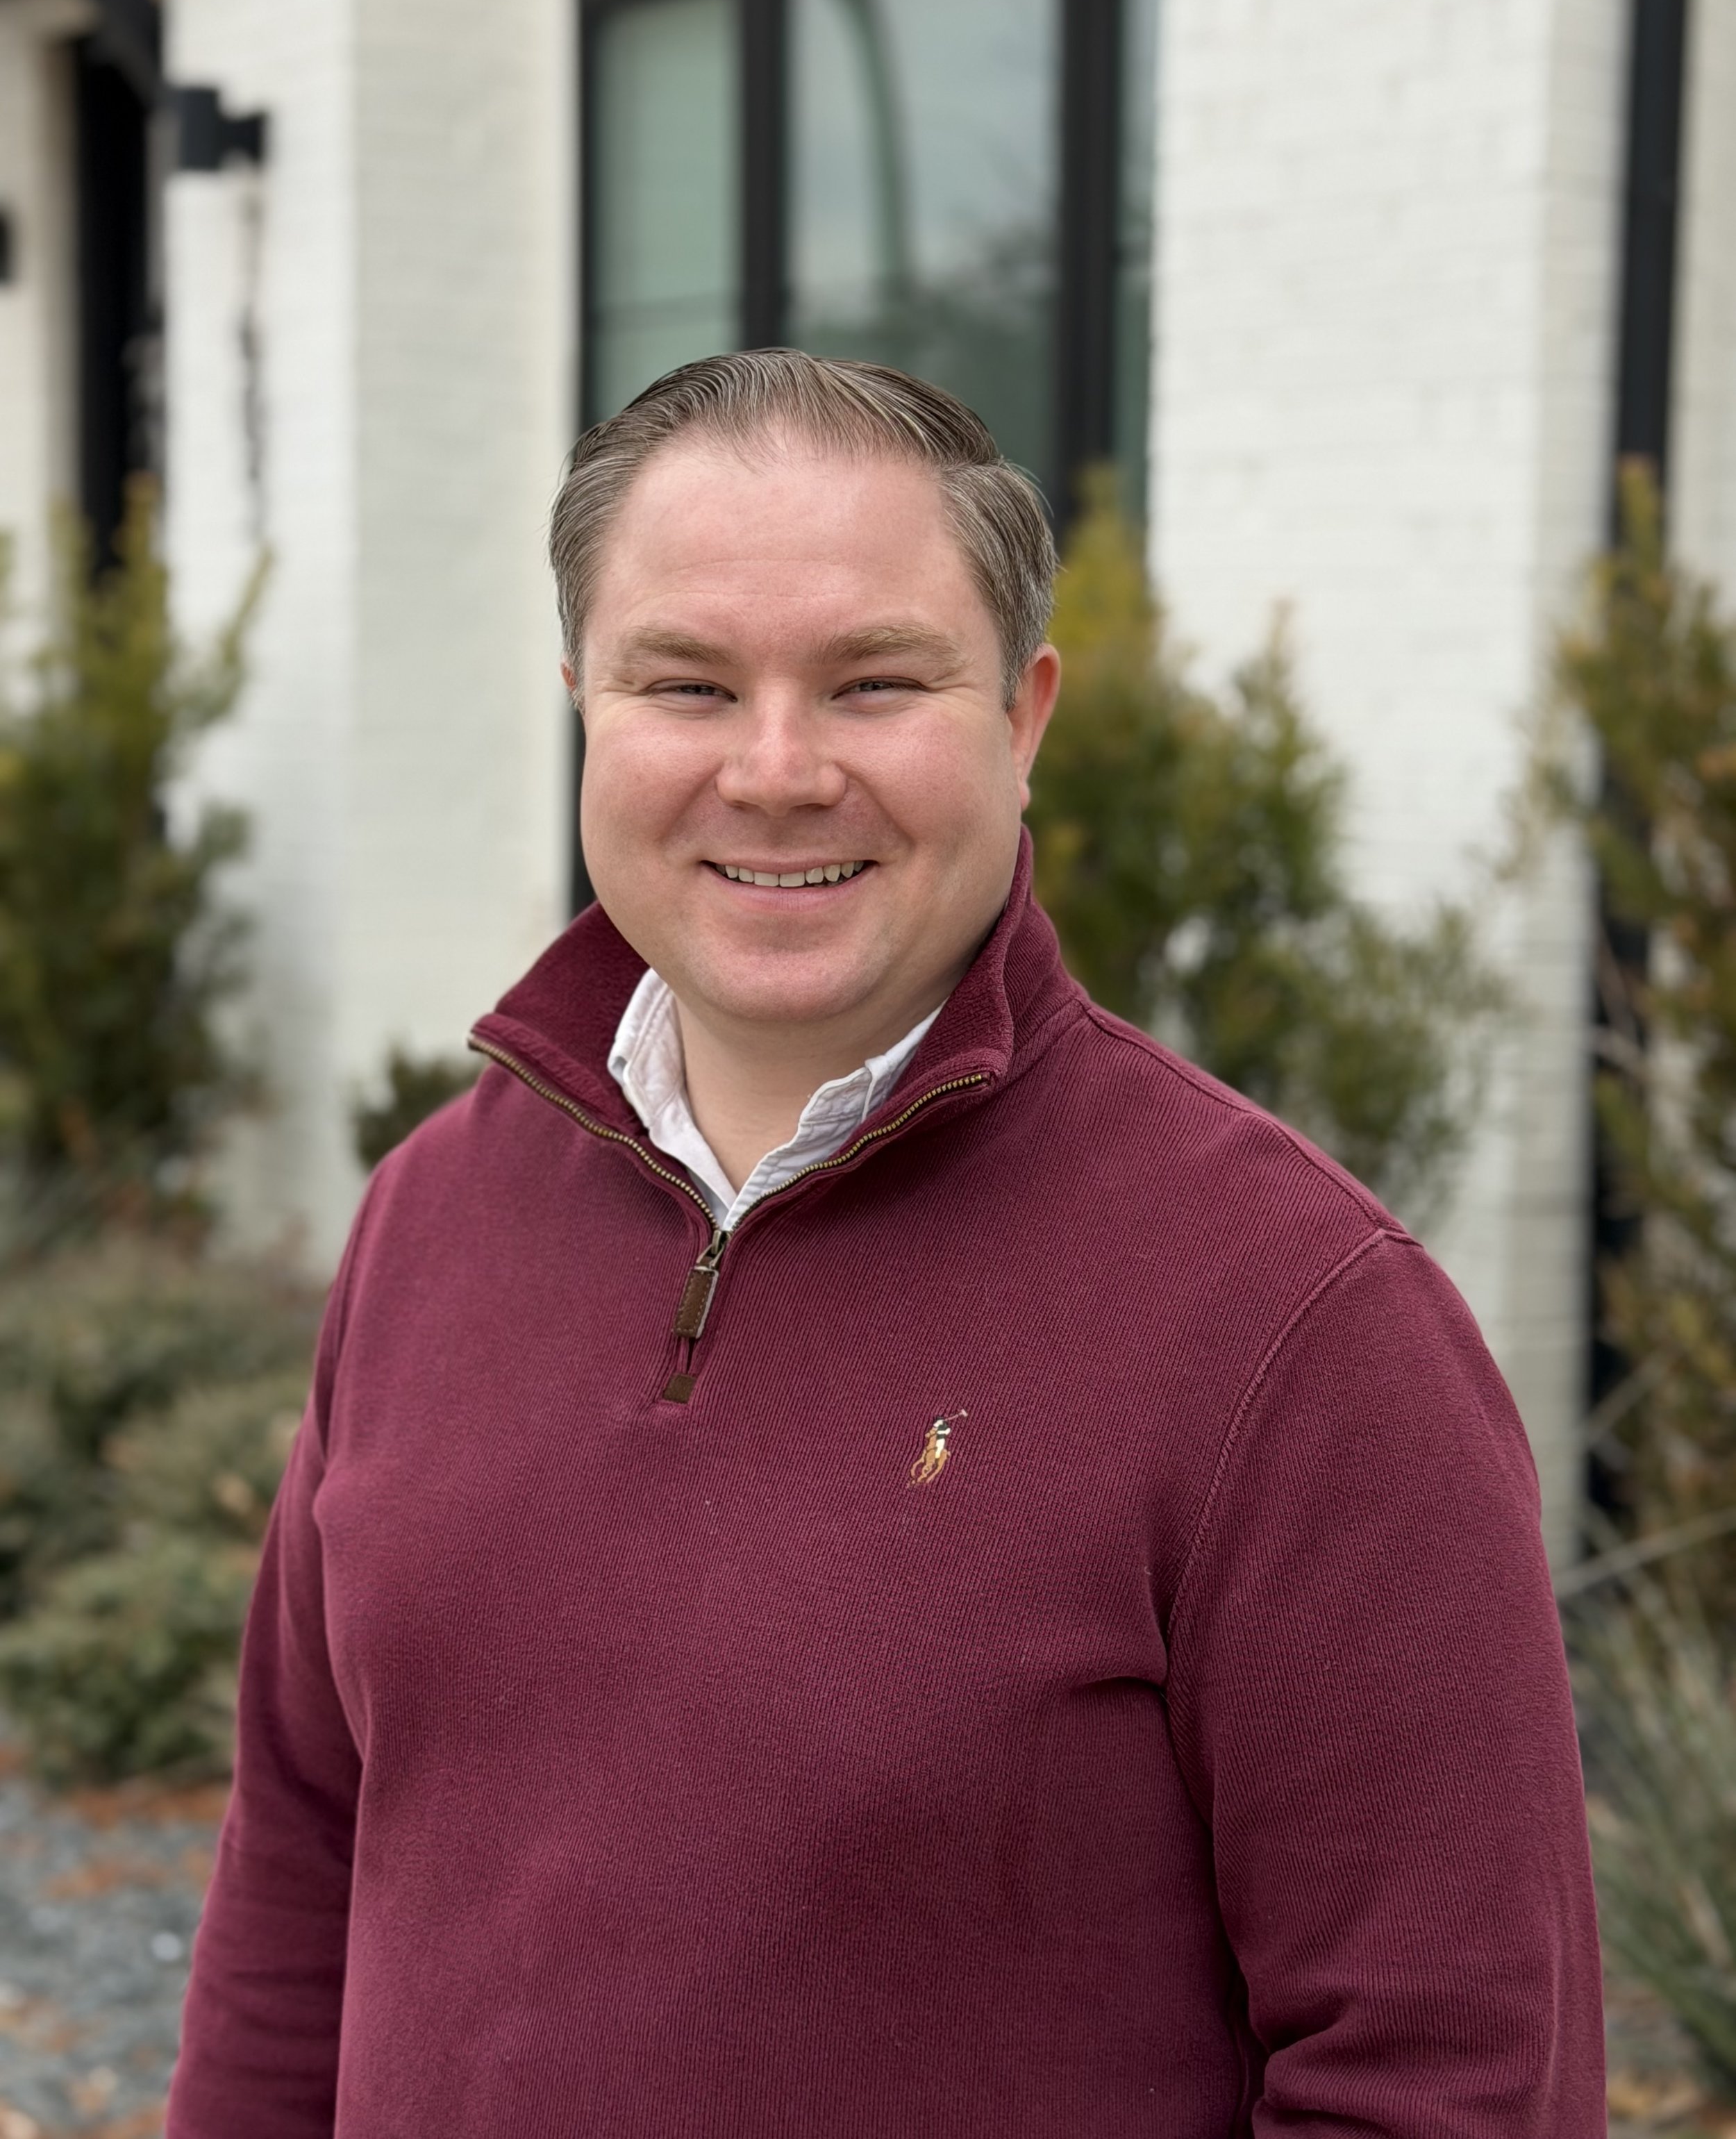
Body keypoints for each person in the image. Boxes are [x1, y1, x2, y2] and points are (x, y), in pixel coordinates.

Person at [168, 351, 1603, 2137]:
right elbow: (302, 1859)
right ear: (580, 702)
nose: (774, 772)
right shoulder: (428, 1220)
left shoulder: (1298, 1326)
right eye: (685, 682)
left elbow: (1446, 2078)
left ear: (1020, 713)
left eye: (873, 682)